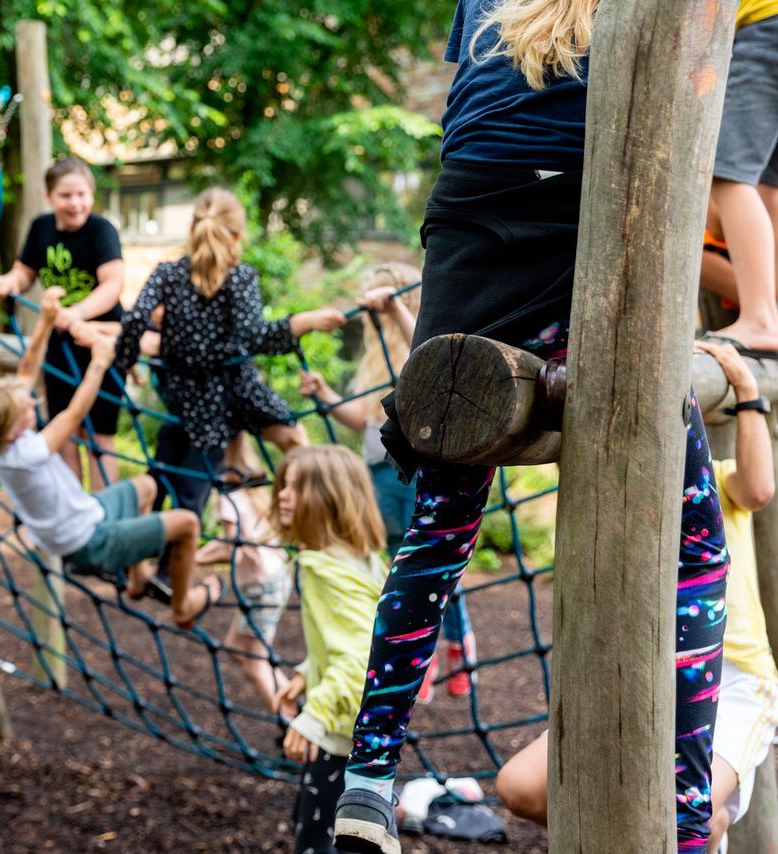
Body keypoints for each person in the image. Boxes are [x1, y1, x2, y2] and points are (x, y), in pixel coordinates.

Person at [333, 2, 731, 852]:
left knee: (442, 518)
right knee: (696, 554)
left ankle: (368, 776)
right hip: (577, 205)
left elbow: (468, 103)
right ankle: (690, 824)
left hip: (464, 214)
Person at [496, 339, 778, 854]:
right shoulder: (604, 493)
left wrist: (745, 388)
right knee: (520, 786)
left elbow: (758, 490)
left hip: (734, 675)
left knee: (693, 808)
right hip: (636, 666)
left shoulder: (708, 486)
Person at [0, 288, 219, 627]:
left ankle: (138, 579)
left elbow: (25, 371)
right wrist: (98, 362)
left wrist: (45, 322)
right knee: (188, 523)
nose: (33, 404)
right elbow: (73, 415)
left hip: (88, 512)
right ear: (10, 430)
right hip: (89, 542)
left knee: (146, 487)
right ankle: (183, 605)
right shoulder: (25, 452)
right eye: (26, 411)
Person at [299, 263, 476, 705]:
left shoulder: (421, 340)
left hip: (421, 469)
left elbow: (436, 362)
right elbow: (362, 419)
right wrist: (325, 395)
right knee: (402, 563)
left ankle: (457, 644)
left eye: (377, 301)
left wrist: (396, 305)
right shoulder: (371, 359)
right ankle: (423, 652)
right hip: (379, 472)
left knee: (436, 558)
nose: (370, 311)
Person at [110, 187, 347, 504]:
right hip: (236, 389)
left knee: (210, 472)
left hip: (189, 393)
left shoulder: (167, 273)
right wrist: (303, 321)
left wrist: (125, 361)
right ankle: (302, 509)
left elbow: (136, 317)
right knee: (294, 437)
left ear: (193, 230)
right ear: (237, 236)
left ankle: (244, 480)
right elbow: (254, 337)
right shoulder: (241, 277)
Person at [267, 445, 388, 854]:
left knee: (318, 841)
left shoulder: (323, 571)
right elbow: (358, 636)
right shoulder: (363, 559)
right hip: (372, 731)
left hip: (338, 737)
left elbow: (356, 658)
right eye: (283, 484)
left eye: (297, 487)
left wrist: (312, 718)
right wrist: (305, 672)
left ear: (329, 499)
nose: (282, 493)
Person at [0, 157, 125, 487]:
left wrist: (77, 312)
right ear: (50, 197)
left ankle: (105, 516)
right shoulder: (41, 228)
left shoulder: (100, 231)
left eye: (82, 194)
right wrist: (10, 281)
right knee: (64, 433)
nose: (75, 203)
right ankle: (75, 509)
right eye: (66, 196)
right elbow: (25, 271)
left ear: (91, 195)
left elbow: (113, 284)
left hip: (100, 342)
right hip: (61, 346)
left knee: (99, 439)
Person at [700, 2, 778, 355]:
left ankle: (760, 318)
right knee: (766, 184)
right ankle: (768, 314)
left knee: (728, 176)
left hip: (764, 23)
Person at [194, 445, 294, 714]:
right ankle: (294, 709)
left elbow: (231, 547)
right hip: (274, 577)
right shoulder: (251, 488)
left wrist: (194, 557)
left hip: (262, 586)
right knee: (235, 648)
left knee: (256, 661)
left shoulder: (228, 496)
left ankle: (293, 721)